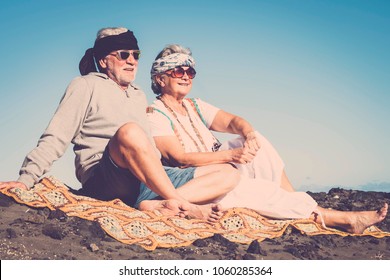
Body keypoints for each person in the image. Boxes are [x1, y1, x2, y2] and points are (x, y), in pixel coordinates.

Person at [136, 43, 388, 234]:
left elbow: (235, 122)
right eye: (178, 70)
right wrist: (230, 156)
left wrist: (248, 134)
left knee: (256, 141)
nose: (186, 76)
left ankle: (294, 200)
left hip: (220, 167)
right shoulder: (155, 113)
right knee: (257, 189)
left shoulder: (195, 105)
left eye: (190, 71)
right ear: (160, 78)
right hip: (199, 181)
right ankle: (339, 219)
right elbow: (178, 158)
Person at [0, 28, 241, 222]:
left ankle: (160, 203)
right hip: (104, 176)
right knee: (130, 132)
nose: (132, 61)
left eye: (136, 55)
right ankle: (184, 205)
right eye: (123, 55)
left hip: (142, 180)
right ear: (104, 61)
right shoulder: (84, 85)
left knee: (229, 172)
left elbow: (149, 152)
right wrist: (25, 179)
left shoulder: (137, 95)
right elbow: (56, 136)